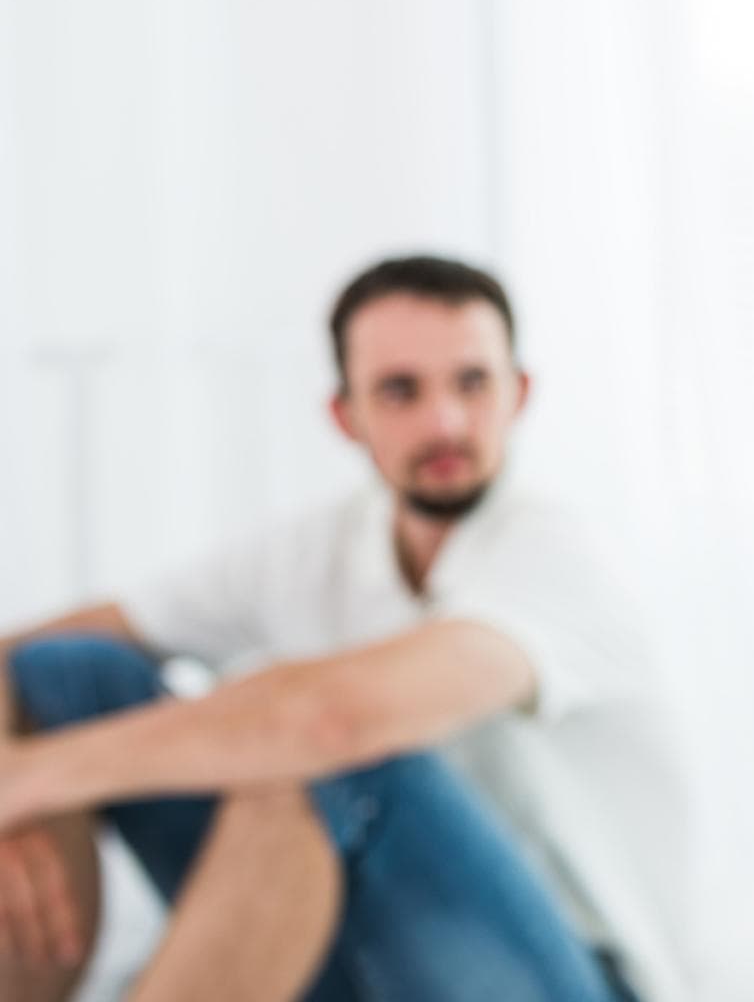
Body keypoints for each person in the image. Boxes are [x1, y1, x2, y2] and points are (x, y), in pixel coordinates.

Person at [0, 256, 686, 1002]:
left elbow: (333, 723)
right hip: (377, 960)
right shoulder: (315, 548)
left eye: (473, 383)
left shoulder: (560, 557)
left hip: (572, 978)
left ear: (518, 395)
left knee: (344, 759)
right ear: (346, 414)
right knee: (65, 672)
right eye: (401, 391)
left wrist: (25, 780)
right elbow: (21, 653)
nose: (445, 422)